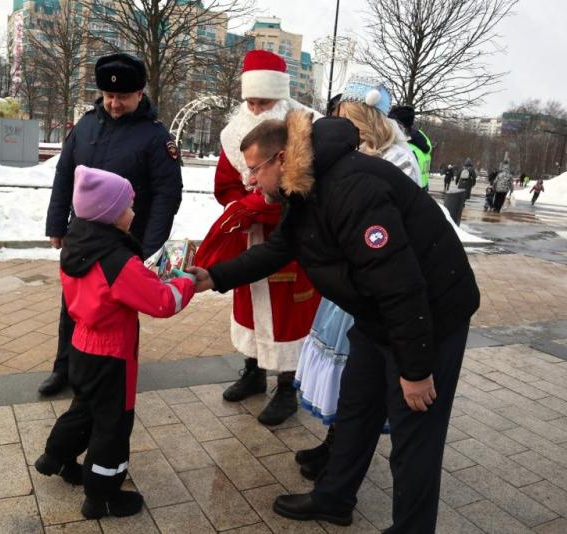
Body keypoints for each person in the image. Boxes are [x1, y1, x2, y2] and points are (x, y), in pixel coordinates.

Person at [188, 111, 480, 532]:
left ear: (283, 158)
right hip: (377, 313)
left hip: (428, 317)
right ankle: (334, 498)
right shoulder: (304, 187)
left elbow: (401, 286)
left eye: (254, 170)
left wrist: (415, 371)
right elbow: (279, 249)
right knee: (356, 409)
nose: (249, 181)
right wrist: (214, 276)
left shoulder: (351, 188)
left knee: (415, 434)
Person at [35, 165, 195, 519]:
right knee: (113, 425)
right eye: (128, 207)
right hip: (113, 355)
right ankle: (103, 495)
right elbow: (162, 302)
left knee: (84, 409)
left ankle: (55, 456)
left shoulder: (78, 244)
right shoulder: (117, 260)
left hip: (80, 345)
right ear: (109, 214)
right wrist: (186, 282)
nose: (134, 213)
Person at [294, 77, 420, 480]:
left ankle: (342, 451)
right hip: (348, 277)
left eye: (343, 115)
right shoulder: (349, 151)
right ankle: (335, 442)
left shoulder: (398, 159)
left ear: (361, 116)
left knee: (356, 375)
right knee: (345, 372)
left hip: (372, 279)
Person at [39, 53, 183, 396]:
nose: (114, 103)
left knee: (114, 312)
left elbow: (167, 195)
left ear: (139, 93)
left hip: (125, 240)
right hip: (82, 236)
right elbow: (64, 175)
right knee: (72, 306)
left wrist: (153, 248)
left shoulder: (155, 137)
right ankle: (64, 367)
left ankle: (112, 370)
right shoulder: (86, 126)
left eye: (121, 97)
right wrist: (56, 223)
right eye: (108, 96)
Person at [195, 49, 322, 426]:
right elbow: (225, 186)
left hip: (291, 240)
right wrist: (248, 205)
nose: (255, 107)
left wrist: (271, 206)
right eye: (250, 100)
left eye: (263, 101)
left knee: (288, 314)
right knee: (250, 305)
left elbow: (310, 186)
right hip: (250, 235)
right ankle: (252, 371)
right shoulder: (232, 132)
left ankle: (287, 388)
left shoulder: (303, 127)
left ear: (279, 97)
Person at [389, 105, 432, 191]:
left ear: (398, 125)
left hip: (409, 192)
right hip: (423, 187)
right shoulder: (423, 138)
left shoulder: (404, 148)